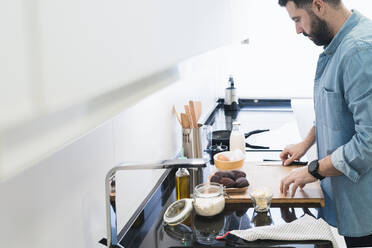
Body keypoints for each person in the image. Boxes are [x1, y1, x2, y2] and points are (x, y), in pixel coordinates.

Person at [277, 0, 372, 247]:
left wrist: (313, 170)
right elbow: (337, 109)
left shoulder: (358, 52)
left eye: (297, 19)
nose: (297, 30)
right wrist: (306, 143)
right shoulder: (340, 44)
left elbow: (368, 143)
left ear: (318, 5)